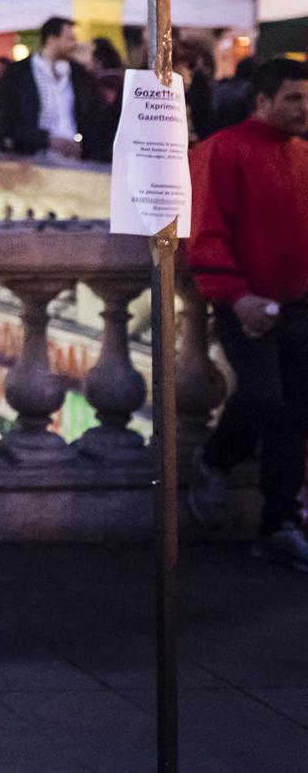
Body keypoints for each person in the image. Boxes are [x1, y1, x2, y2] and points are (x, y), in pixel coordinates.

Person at [186, 58, 308, 570]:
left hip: (299, 305)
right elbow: (206, 230)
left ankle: (279, 522)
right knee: (261, 397)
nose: (305, 108)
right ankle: (213, 462)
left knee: (293, 417)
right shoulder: (221, 151)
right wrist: (235, 296)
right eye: (294, 99)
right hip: (246, 303)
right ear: (262, 102)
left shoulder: (302, 152)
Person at [0, 18, 97, 159]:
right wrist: (46, 140)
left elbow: (93, 117)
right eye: (69, 39)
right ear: (51, 39)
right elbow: (6, 124)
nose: (74, 44)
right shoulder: (18, 73)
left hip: (75, 162)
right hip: (32, 162)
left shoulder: (80, 75)